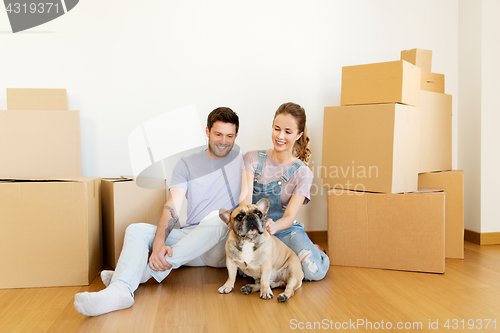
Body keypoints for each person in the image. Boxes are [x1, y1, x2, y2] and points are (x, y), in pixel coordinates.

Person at [74, 107, 242, 316]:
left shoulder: (243, 164)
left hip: (222, 245)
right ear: (207, 131)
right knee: (137, 230)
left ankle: (140, 274)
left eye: (229, 136)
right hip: (190, 244)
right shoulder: (186, 164)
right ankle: (120, 290)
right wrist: (159, 243)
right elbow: (173, 204)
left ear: (236, 136)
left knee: (218, 217)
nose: (223, 141)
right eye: (218, 134)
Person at [239, 102, 329, 281]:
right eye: (276, 129)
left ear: (299, 134)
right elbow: (245, 202)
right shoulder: (252, 158)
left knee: (313, 272)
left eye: (288, 132)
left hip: (285, 230)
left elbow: (289, 217)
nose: (280, 136)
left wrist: (274, 226)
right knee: (246, 271)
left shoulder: (303, 172)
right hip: (254, 230)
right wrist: (254, 227)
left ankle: (317, 252)